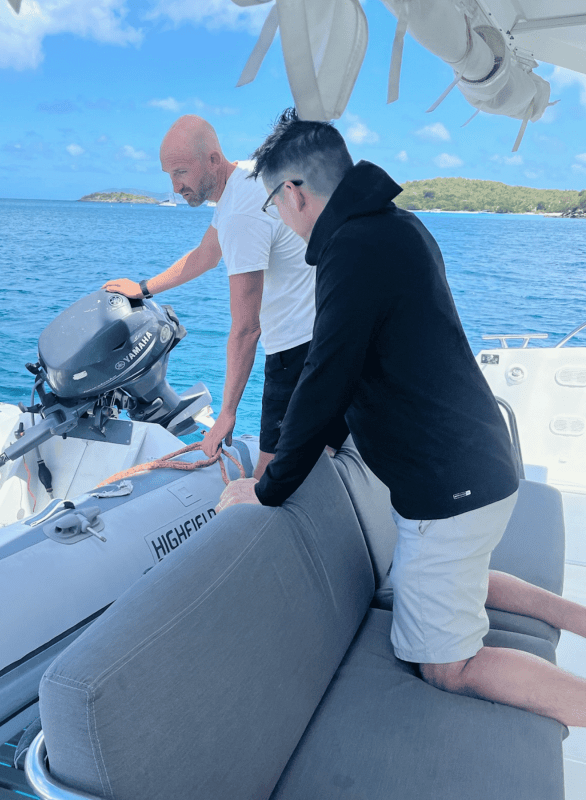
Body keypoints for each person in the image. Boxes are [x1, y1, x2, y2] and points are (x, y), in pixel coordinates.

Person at [216, 107, 586, 727]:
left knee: (446, 666)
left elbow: (326, 374)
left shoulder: (352, 250)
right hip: (477, 466)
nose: (278, 217)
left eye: (273, 203)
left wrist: (268, 487)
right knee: (459, 572)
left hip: (450, 492)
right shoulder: (396, 226)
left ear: (295, 192)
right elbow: (371, 357)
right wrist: (326, 441)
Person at [102, 115, 315, 479]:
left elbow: (247, 329)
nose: (175, 186)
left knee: (270, 478)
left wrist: (227, 413)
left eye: (181, 172)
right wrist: (144, 288)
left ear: (213, 160)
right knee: (316, 454)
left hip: (296, 349)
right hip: (323, 331)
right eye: (169, 175)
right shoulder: (245, 178)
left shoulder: (240, 214)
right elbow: (206, 255)